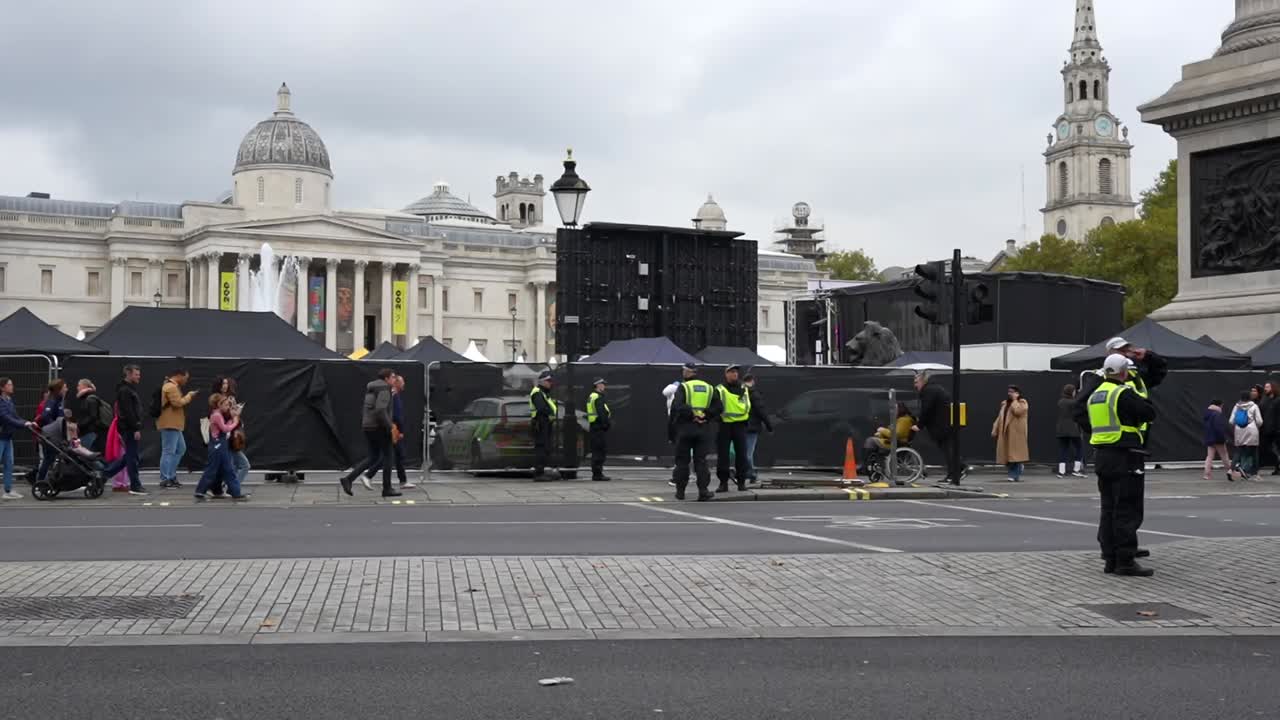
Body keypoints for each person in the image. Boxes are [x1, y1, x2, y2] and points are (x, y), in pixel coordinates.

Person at [1089, 354, 1158, 577]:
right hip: (1125, 455)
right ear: (1123, 372)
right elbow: (1149, 413)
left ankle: (1110, 558)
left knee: (1108, 510)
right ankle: (1125, 561)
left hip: (1102, 456)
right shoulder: (1123, 393)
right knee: (1127, 509)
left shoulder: (1095, 395)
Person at [339, 368, 400, 498]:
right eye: (393, 377)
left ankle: (348, 479)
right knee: (388, 457)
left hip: (368, 427)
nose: (395, 380)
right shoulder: (384, 389)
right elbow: (380, 410)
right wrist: (390, 426)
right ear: (386, 378)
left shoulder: (372, 388)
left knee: (373, 457)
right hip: (380, 428)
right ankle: (387, 489)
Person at [669, 362, 723, 501]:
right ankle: (703, 491)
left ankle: (680, 492)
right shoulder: (709, 388)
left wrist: (692, 415)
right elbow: (719, 407)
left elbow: (677, 406)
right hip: (703, 428)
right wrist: (705, 415)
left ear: (688, 372)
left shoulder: (684, 387)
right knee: (701, 461)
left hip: (685, 428)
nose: (683, 373)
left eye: (684, 371)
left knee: (682, 461)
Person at [363, 372, 416, 491]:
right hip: (393, 429)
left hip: (391, 428)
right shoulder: (393, 395)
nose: (404, 384)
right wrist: (399, 430)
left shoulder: (392, 394)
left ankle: (401, 481)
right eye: (402, 382)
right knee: (389, 456)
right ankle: (369, 476)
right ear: (396, 383)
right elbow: (396, 415)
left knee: (396, 455)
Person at [100, 365, 147, 495]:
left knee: (130, 457)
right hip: (130, 428)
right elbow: (128, 412)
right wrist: (136, 427)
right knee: (132, 458)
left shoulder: (128, 390)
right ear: (128, 374)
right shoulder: (125, 391)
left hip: (129, 427)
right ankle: (135, 486)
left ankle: (104, 474)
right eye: (136, 374)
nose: (139, 376)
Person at [912, 371, 963, 484]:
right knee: (948, 449)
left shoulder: (928, 391)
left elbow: (927, 409)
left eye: (916, 382)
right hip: (948, 424)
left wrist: (919, 425)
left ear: (922, 381)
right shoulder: (935, 388)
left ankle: (954, 474)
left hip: (942, 426)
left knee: (947, 449)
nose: (915, 385)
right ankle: (959, 469)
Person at [195, 394, 249, 500]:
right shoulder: (216, 415)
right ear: (218, 405)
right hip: (218, 445)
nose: (228, 407)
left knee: (221, 469)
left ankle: (204, 491)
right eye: (225, 405)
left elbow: (226, 424)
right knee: (222, 469)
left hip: (219, 445)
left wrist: (233, 417)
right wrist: (235, 421)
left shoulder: (218, 414)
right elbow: (225, 429)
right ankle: (235, 493)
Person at [157, 369, 198, 489]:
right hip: (169, 423)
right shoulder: (171, 387)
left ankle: (171, 475)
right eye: (186, 377)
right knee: (168, 451)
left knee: (181, 448)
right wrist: (189, 396)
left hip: (174, 423)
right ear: (179, 376)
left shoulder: (169, 386)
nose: (186, 380)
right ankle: (165, 478)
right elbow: (178, 403)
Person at [715, 364, 752, 493]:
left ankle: (741, 482)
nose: (735, 374)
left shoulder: (744, 388)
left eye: (736, 372)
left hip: (740, 425)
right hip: (725, 425)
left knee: (742, 455)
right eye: (731, 372)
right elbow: (715, 406)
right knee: (723, 456)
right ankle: (723, 483)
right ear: (726, 374)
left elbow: (750, 405)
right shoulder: (720, 389)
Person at [0, 378, 37, 500]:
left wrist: (27, 422)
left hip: (7, 437)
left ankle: (8, 490)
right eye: (9, 384)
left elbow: (15, 416)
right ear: (2, 388)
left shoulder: (9, 401)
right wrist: (23, 424)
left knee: (9, 464)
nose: (12, 386)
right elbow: (6, 418)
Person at [34, 379, 69, 484]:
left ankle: (44, 479)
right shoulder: (52, 401)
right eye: (65, 387)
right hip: (50, 435)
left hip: (54, 435)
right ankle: (40, 480)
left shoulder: (59, 400)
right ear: (59, 389)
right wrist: (54, 425)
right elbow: (45, 416)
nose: (66, 389)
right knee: (48, 458)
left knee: (50, 459)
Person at [992, 385, 1030, 482]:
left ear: (1017, 393)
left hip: (1017, 434)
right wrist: (995, 429)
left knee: (1015, 456)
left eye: (1012, 392)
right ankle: (1017, 471)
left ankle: (1013, 475)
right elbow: (999, 417)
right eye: (1009, 391)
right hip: (1005, 433)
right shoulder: (1004, 403)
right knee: (1007, 457)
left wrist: (1015, 400)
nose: (1009, 393)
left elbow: (1018, 412)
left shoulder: (1022, 403)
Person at [862, 402, 913, 473]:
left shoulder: (904, 420)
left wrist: (882, 430)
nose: (892, 411)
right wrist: (880, 434)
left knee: (870, 441)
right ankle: (869, 466)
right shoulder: (902, 419)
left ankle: (866, 466)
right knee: (871, 441)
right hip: (894, 442)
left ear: (900, 409)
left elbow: (896, 434)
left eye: (895, 409)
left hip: (896, 443)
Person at [742, 373, 772, 485]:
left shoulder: (740, 393)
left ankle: (746, 473)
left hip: (740, 426)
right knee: (748, 453)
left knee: (743, 453)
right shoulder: (754, 394)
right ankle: (751, 474)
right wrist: (769, 425)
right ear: (752, 381)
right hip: (752, 427)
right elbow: (761, 411)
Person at [529, 371, 558, 482]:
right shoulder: (537, 392)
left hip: (544, 422)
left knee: (544, 448)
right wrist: (550, 412)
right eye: (549, 381)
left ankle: (541, 471)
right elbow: (541, 408)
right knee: (541, 448)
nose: (551, 383)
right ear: (543, 381)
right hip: (540, 423)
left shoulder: (543, 393)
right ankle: (539, 473)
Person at [1230, 389, 1264, 481]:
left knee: (1239, 451)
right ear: (1249, 397)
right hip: (1251, 430)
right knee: (1254, 452)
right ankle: (1254, 474)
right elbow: (1260, 421)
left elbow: (1231, 421)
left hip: (1239, 431)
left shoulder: (1237, 406)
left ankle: (1231, 469)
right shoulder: (1254, 406)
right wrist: (1256, 426)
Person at [69, 379, 111, 453]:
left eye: (79, 385)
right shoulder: (86, 399)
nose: (77, 387)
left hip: (92, 433)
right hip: (91, 432)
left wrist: (80, 425)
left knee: (90, 455)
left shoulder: (90, 399)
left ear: (85, 386)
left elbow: (93, 416)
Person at [1055, 385, 1085, 478]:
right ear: (1072, 392)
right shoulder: (1074, 403)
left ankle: (1061, 471)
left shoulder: (1060, 402)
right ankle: (1076, 470)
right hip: (1073, 429)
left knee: (1063, 450)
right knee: (1079, 448)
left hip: (1061, 429)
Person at [586, 378, 612, 482]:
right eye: (602, 384)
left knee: (596, 450)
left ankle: (597, 473)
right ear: (597, 385)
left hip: (594, 426)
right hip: (598, 427)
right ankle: (597, 474)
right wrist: (606, 424)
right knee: (599, 451)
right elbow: (601, 413)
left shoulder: (592, 396)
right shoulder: (597, 397)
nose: (604, 386)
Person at [1203, 399, 1231, 482]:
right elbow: (1218, 428)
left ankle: (1206, 474)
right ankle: (1230, 471)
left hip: (1209, 438)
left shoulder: (1207, 413)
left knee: (1209, 456)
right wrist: (1223, 438)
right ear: (1219, 405)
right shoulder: (1217, 414)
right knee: (1224, 456)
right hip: (1218, 439)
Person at [1263, 381, 1280, 475]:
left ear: (1273, 388)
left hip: (1276, 430)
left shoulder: (1278, 400)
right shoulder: (1267, 400)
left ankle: (1278, 466)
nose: (1265, 389)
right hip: (1269, 430)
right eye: (1265, 387)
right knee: (1271, 448)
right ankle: (1277, 467)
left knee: (1276, 448)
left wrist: (1277, 428)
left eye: (1267, 387)